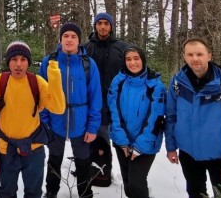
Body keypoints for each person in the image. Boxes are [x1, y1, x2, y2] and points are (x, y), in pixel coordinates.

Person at [165, 38, 221, 198]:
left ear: (209, 56)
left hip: (220, 157)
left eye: (199, 54)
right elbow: (171, 117)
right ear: (184, 56)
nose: (195, 59)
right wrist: (171, 147)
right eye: (190, 54)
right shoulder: (177, 83)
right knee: (195, 193)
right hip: (188, 154)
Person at [0, 41, 66, 198]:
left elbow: (58, 107)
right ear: (8, 62)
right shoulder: (0, 81)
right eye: (14, 59)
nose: (18, 64)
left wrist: (54, 72)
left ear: (28, 61)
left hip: (34, 149)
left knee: (33, 193)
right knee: (7, 192)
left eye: (23, 59)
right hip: (7, 149)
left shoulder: (37, 82)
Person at [39, 23, 102, 198]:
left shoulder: (88, 64)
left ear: (79, 40)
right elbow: (42, 95)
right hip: (55, 120)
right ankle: (51, 191)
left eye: (73, 36)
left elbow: (95, 96)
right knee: (54, 159)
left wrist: (92, 127)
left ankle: (85, 192)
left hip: (80, 120)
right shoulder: (49, 61)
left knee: (83, 160)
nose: (69, 39)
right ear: (60, 39)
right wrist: (44, 122)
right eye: (65, 35)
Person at [107, 46, 165, 198]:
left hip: (146, 142)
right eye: (128, 59)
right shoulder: (118, 82)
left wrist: (140, 145)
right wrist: (122, 141)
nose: (132, 63)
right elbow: (113, 111)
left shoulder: (155, 86)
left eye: (136, 58)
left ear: (143, 60)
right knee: (127, 181)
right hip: (122, 140)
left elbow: (156, 118)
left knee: (137, 182)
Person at [83, 12, 131, 185]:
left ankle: (131, 180)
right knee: (98, 140)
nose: (103, 26)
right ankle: (99, 175)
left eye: (106, 23)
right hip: (95, 104)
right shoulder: (86, 48)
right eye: (99, 23)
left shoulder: (122, 48)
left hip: (119, 104)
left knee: (122, 142)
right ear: (95, 25)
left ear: (111, 26)